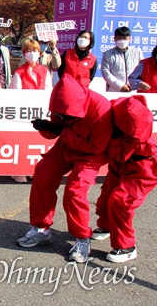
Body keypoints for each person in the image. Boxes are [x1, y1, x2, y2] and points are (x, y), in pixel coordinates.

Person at [17, 74, 112, 264]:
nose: (62, 118)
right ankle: (41, 228)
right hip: (65, 147)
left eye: (65, 117)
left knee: (75, 191)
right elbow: (53, 135)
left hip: (90, 155)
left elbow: (96, 147)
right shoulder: (62, 104)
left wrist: (64, 131)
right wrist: (47, 127)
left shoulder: (102, 109)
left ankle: (82, 238)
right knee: (43, 175)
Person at [92, 95, 157, 262]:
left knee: (121, 201)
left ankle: (127, 246)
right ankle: (106, 226)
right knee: (107, 195)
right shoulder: (117, 110)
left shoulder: (136, 121)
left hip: (143, 168)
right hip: (121, 162)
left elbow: (124, 149)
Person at [9, 39, 53, 183]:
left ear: (39, 53)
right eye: (28, 51)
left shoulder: (44, 70)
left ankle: (36, 171)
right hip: (23, 112)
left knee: (37, 142)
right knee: (22, 142)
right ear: (23, 54)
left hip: (39, 111)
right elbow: (15, 93)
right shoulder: (19, 72)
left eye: (34, 51)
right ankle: (20, 172)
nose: (31, 54)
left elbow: (48, 90)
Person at [101, 26, 144, 92]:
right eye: (119, 38)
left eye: (124, 38)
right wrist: (120, 86)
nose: (122, 40)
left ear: (129, 39)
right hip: (115, 90)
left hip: (133, 90)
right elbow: (105, 72)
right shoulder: (107, 54)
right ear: (114, 39)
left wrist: (136, 84)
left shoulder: (137, 52)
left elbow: (141, 71)